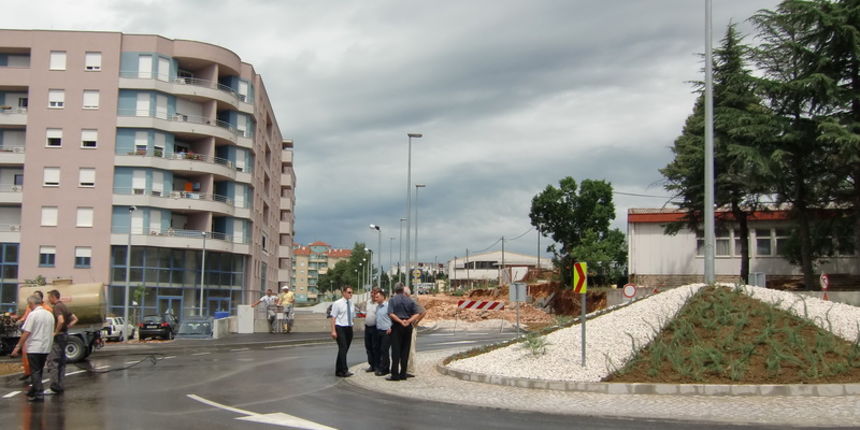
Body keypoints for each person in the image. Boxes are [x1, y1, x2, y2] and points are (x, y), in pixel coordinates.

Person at [11, 295, 55, 402]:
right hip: (46, 346)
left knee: (34, 371)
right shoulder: (49, 314)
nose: (29, 306)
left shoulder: (33, 315)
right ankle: (34, 390)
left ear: (31, 304)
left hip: (35, 346)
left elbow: (26, 332)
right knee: (39, 369)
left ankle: (39, 393)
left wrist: (18, 346)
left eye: (29, 304)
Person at [15, 290, 52, 382]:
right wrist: (21, 320)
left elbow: (27, 331)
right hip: (35, 340)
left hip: (37, 340)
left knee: (36, 366)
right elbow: (26, 316)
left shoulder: (46, 309)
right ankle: (28, 372)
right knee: (27, 358)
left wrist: (17, 347)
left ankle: (37, 386)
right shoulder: (31, 309)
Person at [45, 289, 78, 394]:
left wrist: (56, 332)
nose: (48, 299)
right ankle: (60, 385)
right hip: (64, 335)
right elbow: (75, 319)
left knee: (53, 361)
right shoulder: (64, 306)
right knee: (62, 361)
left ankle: (54, 386)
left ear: (53, 297)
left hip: (58, 337)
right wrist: (67, 327)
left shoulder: (57, 307)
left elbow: (61, 320)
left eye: (49, 297)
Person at [387, 283, 421, 381]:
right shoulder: (409, 300)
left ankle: (395, 374)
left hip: (397, 326)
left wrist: (400, 321)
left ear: (395, 290)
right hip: (407, 327)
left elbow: (390, 313)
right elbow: (417, 313)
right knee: (405, 350)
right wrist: (408, 321)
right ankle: (403, 373)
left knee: (396, 350)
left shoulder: (392, 300)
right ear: (403, 290)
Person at [329, 286, 357, 377]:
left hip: (349, 327)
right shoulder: (337, 303)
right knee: (343, 348)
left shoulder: (351, 304)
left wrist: (352, 326)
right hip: (340, 327)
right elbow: (333, 317)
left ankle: (339, 370)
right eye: (349, 292)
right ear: (343, 293)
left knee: (344, 350)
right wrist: (333, 331)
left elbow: (352, 316)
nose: (351, 294)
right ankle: (344, 370)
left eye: (351, 292)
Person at [404, 286, 427, 378]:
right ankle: (405, 368)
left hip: (411, 327)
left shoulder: (412, 301)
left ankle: (410, 370)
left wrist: (416, 321)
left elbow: (423, 311)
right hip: (405, 327)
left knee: (410, 349)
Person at [374, 290, 391, 376]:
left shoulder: (388, 306)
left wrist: (391, 327)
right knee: (379, 350)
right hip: (379, 330)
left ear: (382, 297)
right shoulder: (377, 307)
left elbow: (393, 317)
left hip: (386, 331)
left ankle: (385, 369)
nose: (375, 299)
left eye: (377, 297)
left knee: (384, 350)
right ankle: (381, 366)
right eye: (375, 297)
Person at [362, 288, 380, 372]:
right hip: (367, 327)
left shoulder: (379, 304)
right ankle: (371, 364)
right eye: (372, 293)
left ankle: (377, 365)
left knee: (375, 347)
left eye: (374, 293)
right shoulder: (368, 302)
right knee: (368, 346)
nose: (372, 294)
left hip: (375, 327)